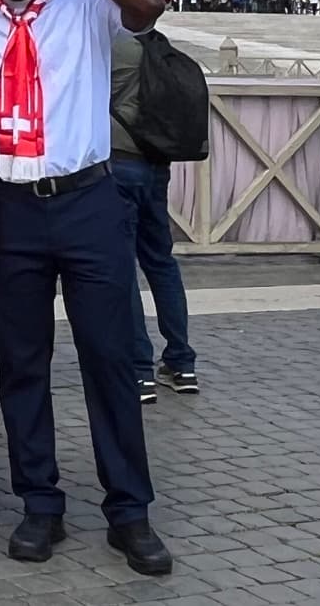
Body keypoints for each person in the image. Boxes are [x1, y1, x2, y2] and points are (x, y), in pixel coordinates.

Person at [0, 0, 173, 577]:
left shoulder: (85, 3)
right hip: (9, 211)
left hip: (86, 200)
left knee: (110, 358)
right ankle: (39, 500)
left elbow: (148, 5)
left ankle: (129, 509)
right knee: (22, 364)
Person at [108, 34, 196, 404]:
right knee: (161, 261)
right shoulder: (163, 46)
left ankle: (138, 368)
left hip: (118, 161)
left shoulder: (110, 43)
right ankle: (181, 362)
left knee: (123, 266)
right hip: (157, 163)